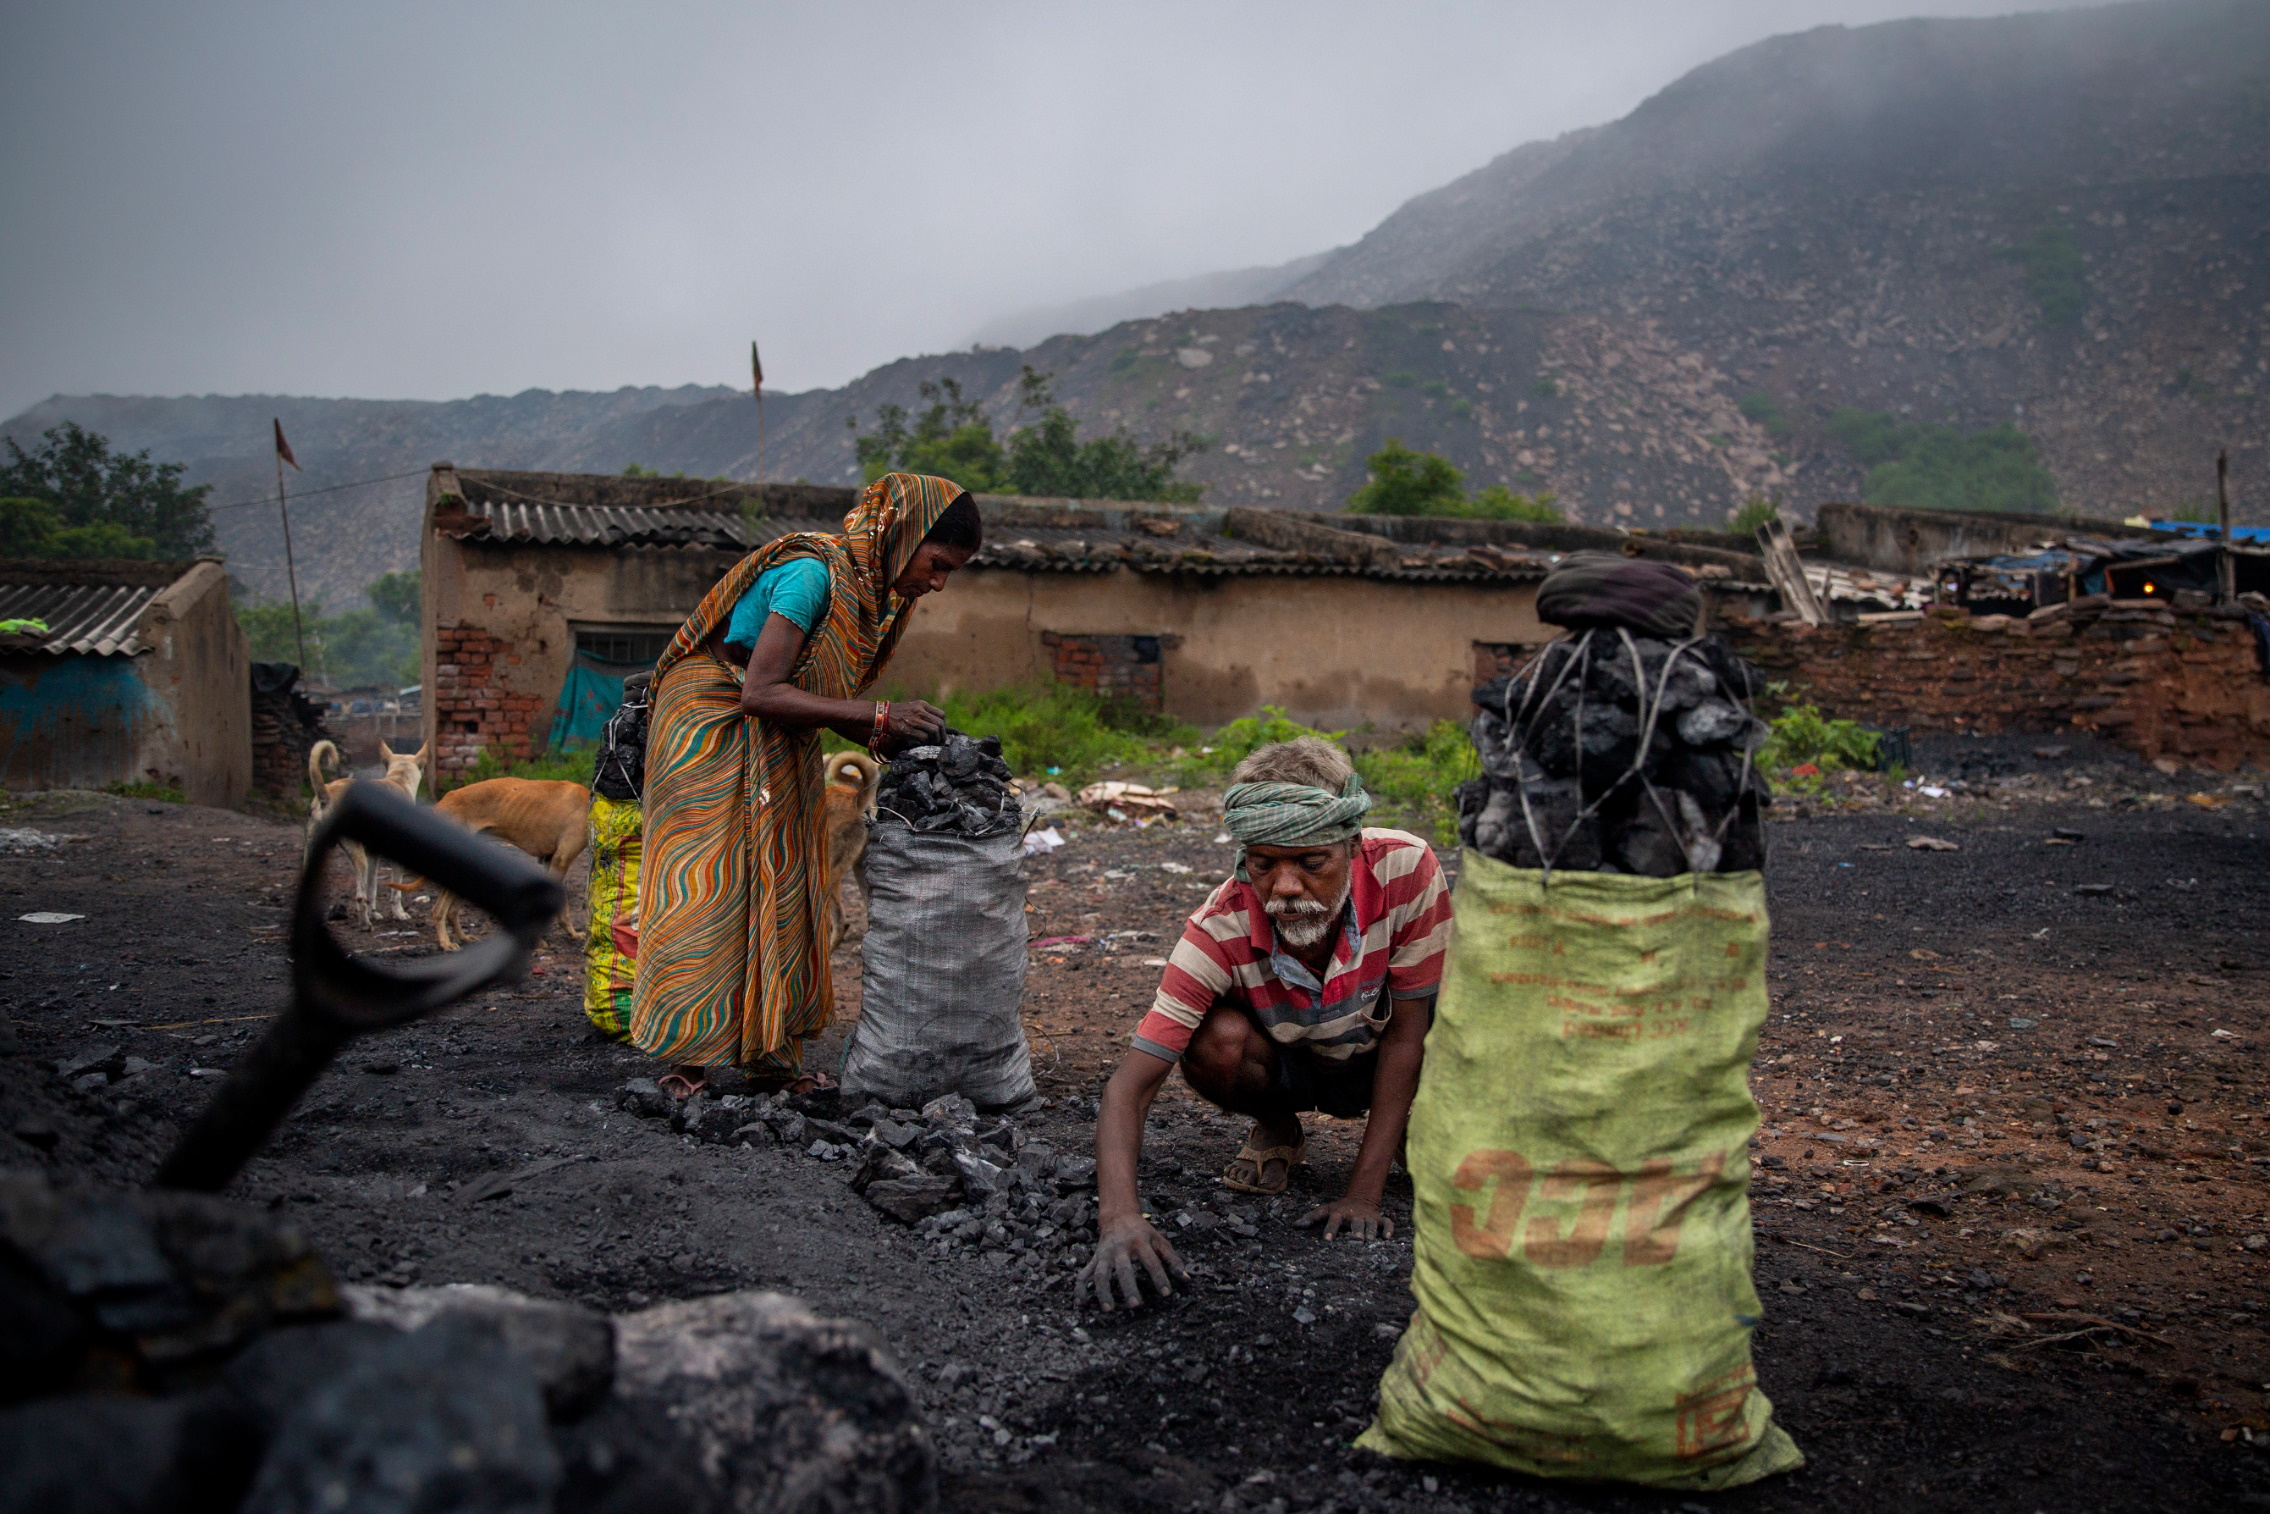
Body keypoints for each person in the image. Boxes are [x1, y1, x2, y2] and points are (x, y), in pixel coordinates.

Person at [629, 472, 981, 1097]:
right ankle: (686, 1057)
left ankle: (773, 1056)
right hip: (710, 718)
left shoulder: (874, 600)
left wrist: (884, 734)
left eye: (951, 571)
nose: (938, 581)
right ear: (905, 535)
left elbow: (813, 696)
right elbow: (759, 690)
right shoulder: (813, 574)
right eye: (938, 563)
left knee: (790, 875)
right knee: (711, 880)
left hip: (774, 726)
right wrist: (877, 717)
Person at [1079, 736, 1453, 1311]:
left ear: (1352, 846)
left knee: (1458, 1023)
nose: (1285, 887)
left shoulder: (1406, 869)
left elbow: (1408, 1035)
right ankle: (1279, 1126)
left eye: (1311, 863)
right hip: (1292, 1065)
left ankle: (1406, 1129)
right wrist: (1120, 1219)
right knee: (1212, 1041)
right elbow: (1131, 1085)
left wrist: (1362, 1196)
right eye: (1264, 864)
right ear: (1243, 857)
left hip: (1385, 1057)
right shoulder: (1217, 929)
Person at [583, 670, 651, 1041]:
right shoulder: (642, 729)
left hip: (611, 816)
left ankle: (611, 1006)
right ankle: (628, 1012)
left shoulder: (615, 727)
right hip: (635, 818)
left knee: (615, 912)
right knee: (631, 915)